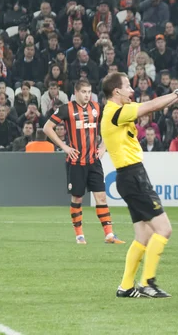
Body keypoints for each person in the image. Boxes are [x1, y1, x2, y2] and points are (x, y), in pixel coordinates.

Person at [100, 72, 178, 298]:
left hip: (128, 177)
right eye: (128, 86)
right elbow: (151, 106)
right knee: (164, 229)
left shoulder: (113, 113)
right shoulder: (116, 111)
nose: (132, 90)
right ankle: (147, 283)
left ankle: (126, 286)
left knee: (143, 237)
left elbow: (151, 106)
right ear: (116, 91)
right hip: (133, 176)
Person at [43, 79, 125, 245]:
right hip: (76, 162)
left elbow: (110, 127)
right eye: (84, 92)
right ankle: (79, 235)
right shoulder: (67, 109)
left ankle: (109, 235)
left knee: (101, 197)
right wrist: (65, 147)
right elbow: (47, 128)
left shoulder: (97, 108)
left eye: (89, 92)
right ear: (76, 92)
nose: (87, 95)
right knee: (77, 199)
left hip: (94, 161)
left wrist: (103, 147)